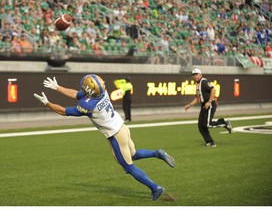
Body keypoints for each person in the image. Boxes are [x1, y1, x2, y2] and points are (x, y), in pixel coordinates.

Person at [34, 74, 175, 200]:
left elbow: (64, 111)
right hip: (123, 128)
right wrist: (57, 87)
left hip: (115, 136)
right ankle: (157, 153)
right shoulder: (102, 93)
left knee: (129, 167)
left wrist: (47, 103)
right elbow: (77, 94)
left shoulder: (88, 105)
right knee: (133, 154)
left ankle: (155, 188)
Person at [184, 68, 232, 147]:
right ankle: (210, 142)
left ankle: (224, 123)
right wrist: (189, 105)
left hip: (210, 104)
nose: (195, 76)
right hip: (204, 105)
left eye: (196, 74)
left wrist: (209, 102)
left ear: (200, 75)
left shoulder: (203, 81)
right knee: (201, 125)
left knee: (208, 124)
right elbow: (197, 98)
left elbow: (213, 90)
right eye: (194, 75)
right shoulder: (197, 85)